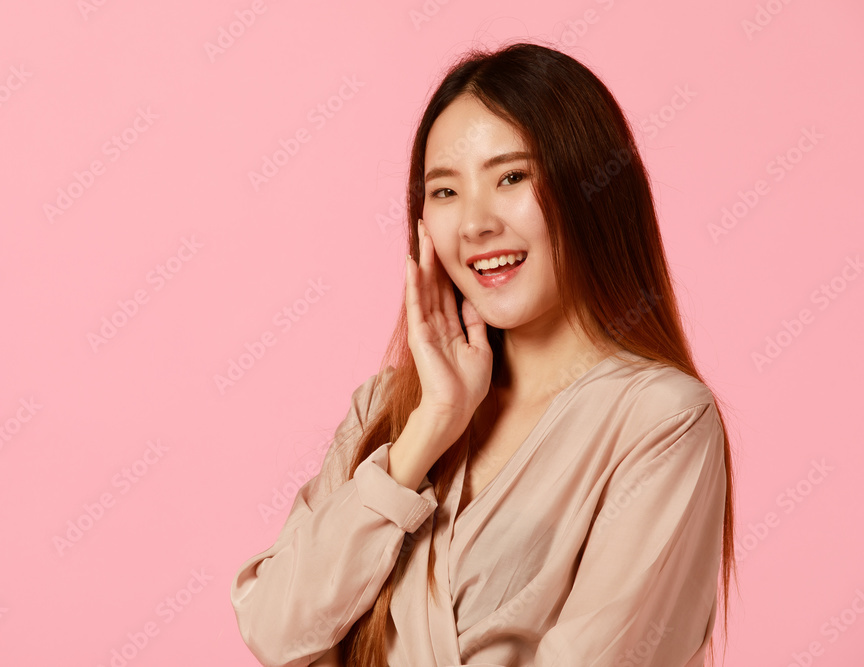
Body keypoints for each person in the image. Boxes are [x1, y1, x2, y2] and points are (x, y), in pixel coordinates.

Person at [230, 41, 737, 667]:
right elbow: (277, 630)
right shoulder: (389, 412)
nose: (474, 224)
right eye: (443, 192)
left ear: (592, 190)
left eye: (512, 177)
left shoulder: (660, 422)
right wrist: (431, 427)